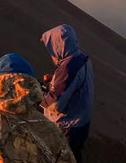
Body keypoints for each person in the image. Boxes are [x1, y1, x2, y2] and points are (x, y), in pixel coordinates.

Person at [40, 25, 95, 163]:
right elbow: (74, 86)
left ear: (58, 45)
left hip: (67, 129)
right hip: (79, 124)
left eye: (51, 48)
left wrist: (36, 95)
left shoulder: (69, 67)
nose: (51, 54)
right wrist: (54, 80)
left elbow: (56, 104)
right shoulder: (81, 58)